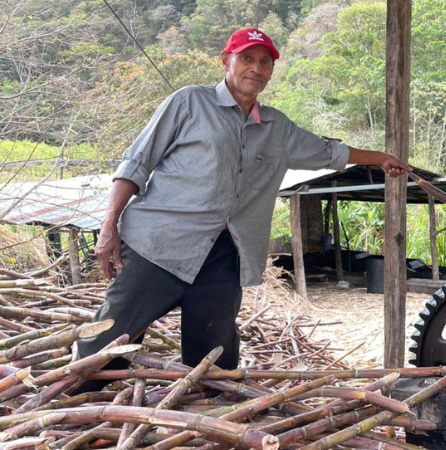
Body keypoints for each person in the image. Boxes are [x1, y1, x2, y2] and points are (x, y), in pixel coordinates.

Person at [75, 27, 409, 384]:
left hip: (223, 256)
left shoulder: (277, 128)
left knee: (214, 362)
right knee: (107, 344)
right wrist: (108, 227)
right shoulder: (188, 102)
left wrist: (380, 158)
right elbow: (136, 163)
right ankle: (80, 411)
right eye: (246, 58)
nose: (256, 68)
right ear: (225, 61)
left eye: (265, 62)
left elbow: (328, 151)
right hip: (157, 245)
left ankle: (204, 428)